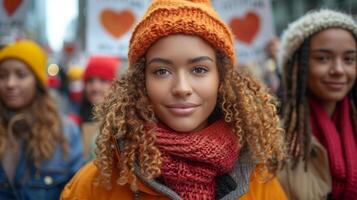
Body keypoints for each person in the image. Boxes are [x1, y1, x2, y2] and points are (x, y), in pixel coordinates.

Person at [61, 0, 287, 199]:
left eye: (199, 69)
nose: (181, 88)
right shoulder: (93, 185)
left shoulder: (261, 181)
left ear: (222, 77)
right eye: (162, 71)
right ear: (141, 81)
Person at [277, 9, 357, 200]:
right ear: (296, 66)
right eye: (323, 58)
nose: (338, 69)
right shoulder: (272, 138)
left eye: (349, 59)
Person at [0, 40, 85, 199]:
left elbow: (77, 192)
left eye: (21, 75)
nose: (10, 83)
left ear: (37, 82)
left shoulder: (66, 133)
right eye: (2, 75)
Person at [79, 55, 119, 160]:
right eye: (90, 81)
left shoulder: (126, 125)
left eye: (103, 80)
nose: (95, 87)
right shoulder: (76, 122)